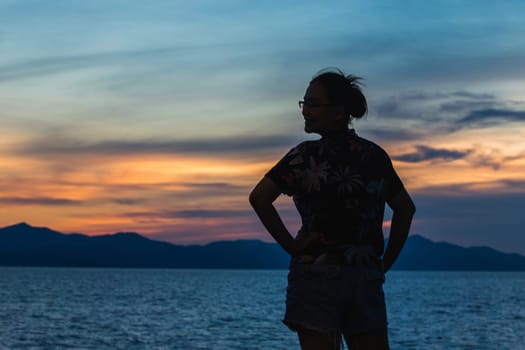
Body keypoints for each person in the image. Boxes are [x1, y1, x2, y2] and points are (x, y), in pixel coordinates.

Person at [249, 68, 415, 350]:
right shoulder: (373, 156)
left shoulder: (304, 157)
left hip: (316, 275)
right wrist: (384, 263)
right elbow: (405, 209)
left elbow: (260, 198)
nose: (305, 111)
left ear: (339, 112)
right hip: (363, 276)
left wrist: (294, 248)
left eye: (313, 104)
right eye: (304, 103)